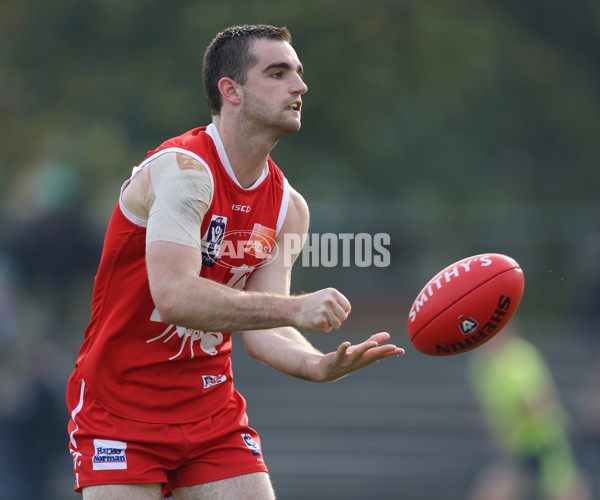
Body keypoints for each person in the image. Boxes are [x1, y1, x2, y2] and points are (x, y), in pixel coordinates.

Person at [66, 24, 404, 500]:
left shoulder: (290, 208)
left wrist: (316, 363)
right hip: (119, 411)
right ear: (231, 91)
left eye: (299, 73)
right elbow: (175, 295)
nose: (300, 85)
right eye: (278, 72)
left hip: (211, 415)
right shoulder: (184, 171)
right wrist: (294, 308)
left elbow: (265, 329)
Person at [466, 325, 592, 500]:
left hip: (544, 440)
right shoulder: (481, 366)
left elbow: (538, 400)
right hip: (518, 444)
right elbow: (485, 406)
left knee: (566, 488)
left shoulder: (519, 355)